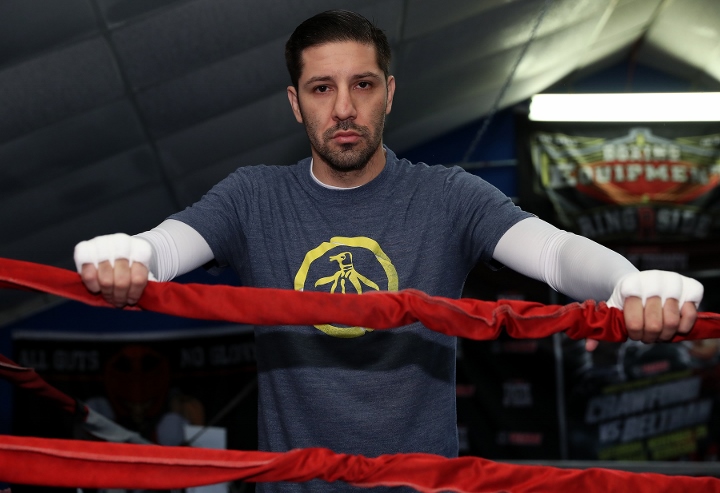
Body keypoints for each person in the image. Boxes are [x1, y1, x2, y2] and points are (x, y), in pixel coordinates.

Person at [73, 9, 703, 493]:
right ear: (295, 103)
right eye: (321, 88)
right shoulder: (253, 197)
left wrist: (627, 283)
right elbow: (163, 248)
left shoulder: (446, 196)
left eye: (362, 84)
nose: (344, 108)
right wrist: (127, 252)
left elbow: (555, 254)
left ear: (390, 92)